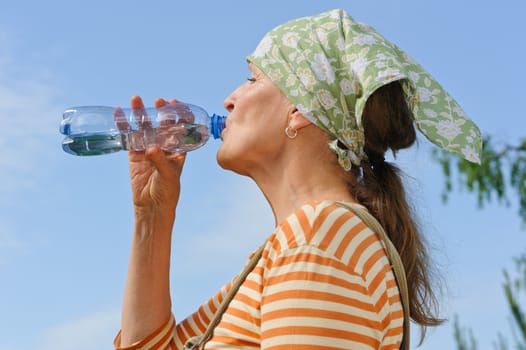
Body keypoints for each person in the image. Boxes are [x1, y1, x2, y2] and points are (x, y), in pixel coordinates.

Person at [113, 9, 482, 350]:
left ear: (300, 111)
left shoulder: (320, 238)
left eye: (252, 79)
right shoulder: (299, 244)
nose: (229, 100)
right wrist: (152, 216)